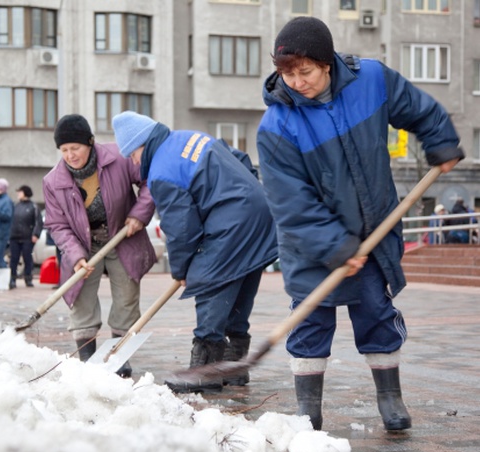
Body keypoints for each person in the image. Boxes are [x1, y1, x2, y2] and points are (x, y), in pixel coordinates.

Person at [256, 17, 464, 431]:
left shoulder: (371, 79)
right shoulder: (277, 126)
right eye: (287, 73)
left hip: (375, 232)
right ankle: (308, 411)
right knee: (311, 323)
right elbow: (291, 203)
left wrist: (440, 143)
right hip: (311, 247)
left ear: (327, 63)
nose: (296, 82)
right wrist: (335, 246)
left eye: (305, 72)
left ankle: (390, 396)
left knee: (377, 314)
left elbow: (420, 109)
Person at [111, 111, 278, 393]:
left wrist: (182, 269)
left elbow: (181, 228)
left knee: (210, 280)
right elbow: (239, 158)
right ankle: (234, 369)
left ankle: (204, 373)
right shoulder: (190, 137)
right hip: (261, 211)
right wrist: (246, 191)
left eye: (132, 154)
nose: (134, 162)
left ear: (141, 145)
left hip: (231, 221)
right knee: (240, 280)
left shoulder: (161, 172)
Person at [43, 114, 157, 378]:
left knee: (127, 297)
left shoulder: (117, 157)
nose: (71, 155)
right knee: (81, 299)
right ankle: (87, 358)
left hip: (122, 236)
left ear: (90, 143)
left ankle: (119, 355)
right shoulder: (53, 181)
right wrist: (75, 256)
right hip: (83, 244)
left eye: (76, 148)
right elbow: (57, 225)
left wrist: (139, 214)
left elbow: (150, 180)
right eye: (64, 150)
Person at [9, 185, 43, 289]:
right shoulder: (16, 205)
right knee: (13, 259)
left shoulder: (33, 206)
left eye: (20, 192)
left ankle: (28, 278)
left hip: (27, 238)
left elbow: (38, 222)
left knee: (27, 258)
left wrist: (36, 234)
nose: (18, 194)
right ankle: (12, 279)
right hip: (14, 237)